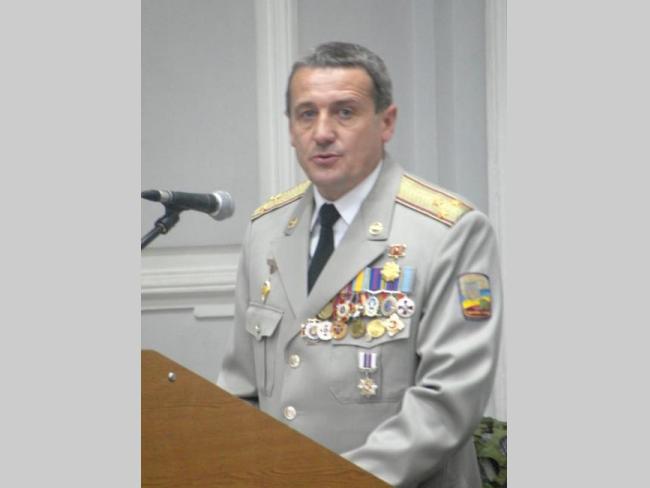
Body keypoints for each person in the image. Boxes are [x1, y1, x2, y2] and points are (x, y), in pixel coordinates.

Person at [217, 41, 502, 487]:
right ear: (290, 129)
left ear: (386, 122)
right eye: (306, 114)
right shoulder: (266, 229)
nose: (322, 132)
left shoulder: (450, 232)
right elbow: (240, 389)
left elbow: (447, 404)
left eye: (344, 112)